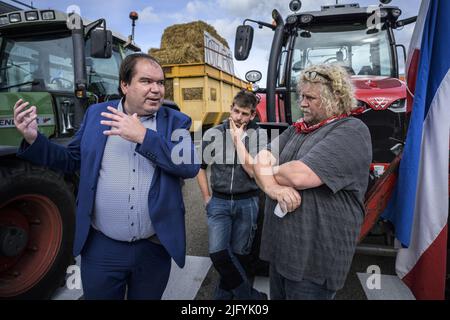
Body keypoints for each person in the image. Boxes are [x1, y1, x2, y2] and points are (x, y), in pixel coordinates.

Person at [13, 53, 200, 300]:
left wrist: (144, 137)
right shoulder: (96, 115)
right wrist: (34, 139)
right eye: (146, 81)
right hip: (102, 249)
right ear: (125, 85)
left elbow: (189, 165)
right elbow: (71, 160)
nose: (156, 89)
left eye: (160, 82)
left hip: (153, 248)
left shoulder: (175, 120)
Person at [237, 64, 372, 299]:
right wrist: (271, 186)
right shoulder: (298, 129)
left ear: (335, 98)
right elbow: (257, 162)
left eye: (310, 97)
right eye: (301, 96)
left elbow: (299, 175)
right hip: (282, 252)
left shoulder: (352, 130)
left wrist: (269, 173)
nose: (302, 103)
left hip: (314, 262)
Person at [197, 90, 267, 300]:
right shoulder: (215, 134)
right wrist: (207, 197)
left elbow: (254, 171)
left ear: (252, 115)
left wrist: (237, 141)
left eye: (245, 114)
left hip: (247, 201)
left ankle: (223, 298)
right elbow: (199, 167)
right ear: (231, 109)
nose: (239, 117)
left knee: (239, 254)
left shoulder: (259, 135)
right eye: (236, 111)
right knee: (218, 253)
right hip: (218, 201)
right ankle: (250, 297)